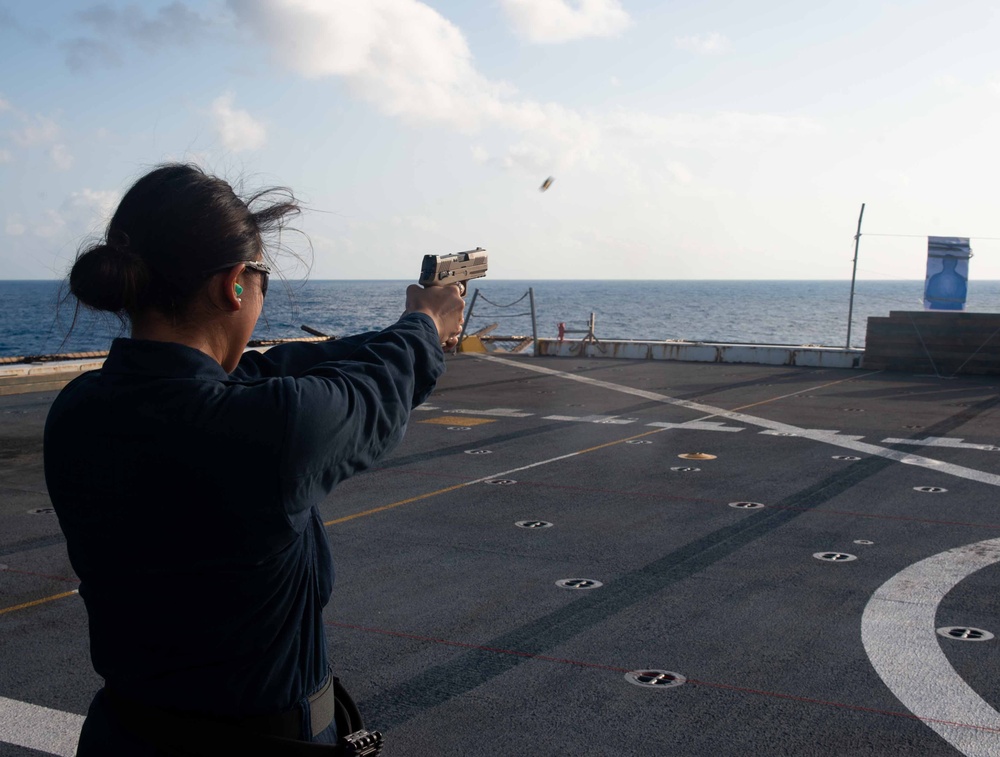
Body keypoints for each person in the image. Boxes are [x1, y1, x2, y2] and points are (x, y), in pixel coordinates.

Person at [43, 163, 465, 755]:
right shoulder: (269, 428)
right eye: (261, 279)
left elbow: (268, 368)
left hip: (125, 734)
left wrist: (402, 329)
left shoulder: (78, 409)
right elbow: (374, 393)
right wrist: (425, 324)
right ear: (235, 284)